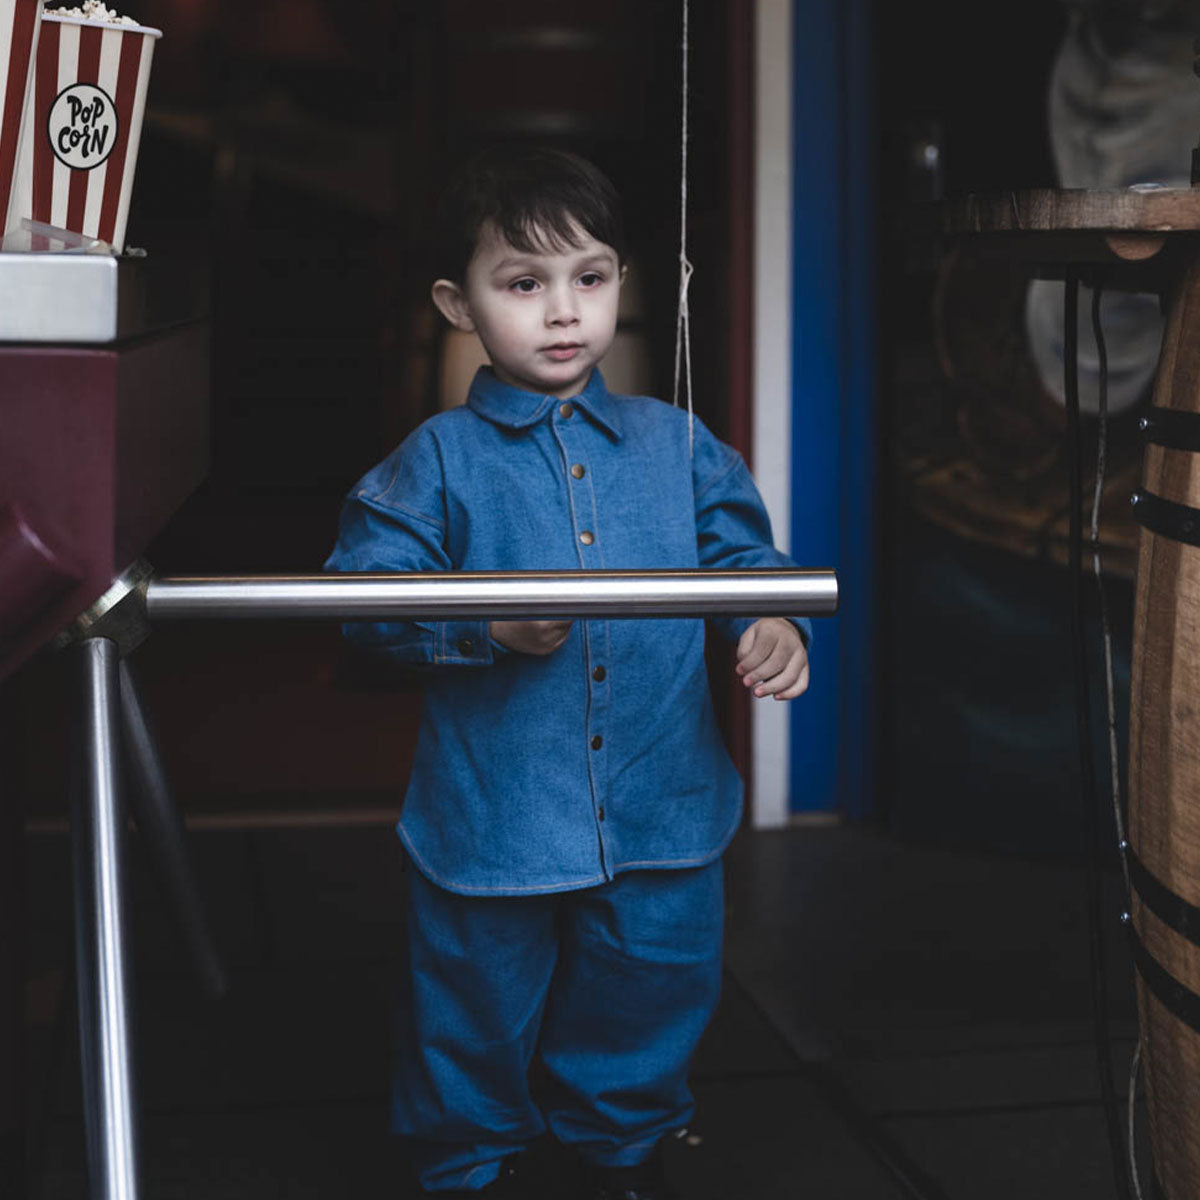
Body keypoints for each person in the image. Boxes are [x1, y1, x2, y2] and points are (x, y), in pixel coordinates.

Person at [325, 146, 812, 1199]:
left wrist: (771, 615)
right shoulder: (437, 459)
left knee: (648, 994)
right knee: (471, 1011)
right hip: (494, 821)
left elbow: (742, 555)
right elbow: (360, 605)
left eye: (588, 278)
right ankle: (466, 1167)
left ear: (623, 286)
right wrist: (481, 630)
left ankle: (617, 1156)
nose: (562, 313)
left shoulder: (677, 444)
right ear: (460, 303)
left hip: (662, 806)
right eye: (523, 283)